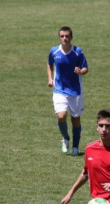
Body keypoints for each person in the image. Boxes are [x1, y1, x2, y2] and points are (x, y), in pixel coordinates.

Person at [47, 26, 89, 157]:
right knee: (61, 116)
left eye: (67, 36)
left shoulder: (78, 52)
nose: (64, 38)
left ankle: (75, 147)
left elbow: (85, 68)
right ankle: (66, 138)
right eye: (62, 36)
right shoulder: (54, 51)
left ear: (71, 37)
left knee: (75, 120)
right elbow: (49, 63)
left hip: (75, 91)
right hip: (59, 89)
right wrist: (50, 78)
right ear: (59, 37)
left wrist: (80, 71)